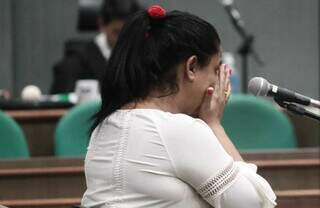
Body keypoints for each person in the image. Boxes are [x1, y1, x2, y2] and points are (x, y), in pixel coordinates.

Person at [81, 5, 277, 208]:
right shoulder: (179, 129)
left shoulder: (104, 126)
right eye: (215, 69)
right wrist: (214, 125)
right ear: (191, 67)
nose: (218, 82)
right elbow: (253, 204)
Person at [50, 0, 141, 94]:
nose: (123, 39)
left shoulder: (144, 58)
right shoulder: (74, 64)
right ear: (101, 24)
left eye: (129, 32)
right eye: (116, 32)